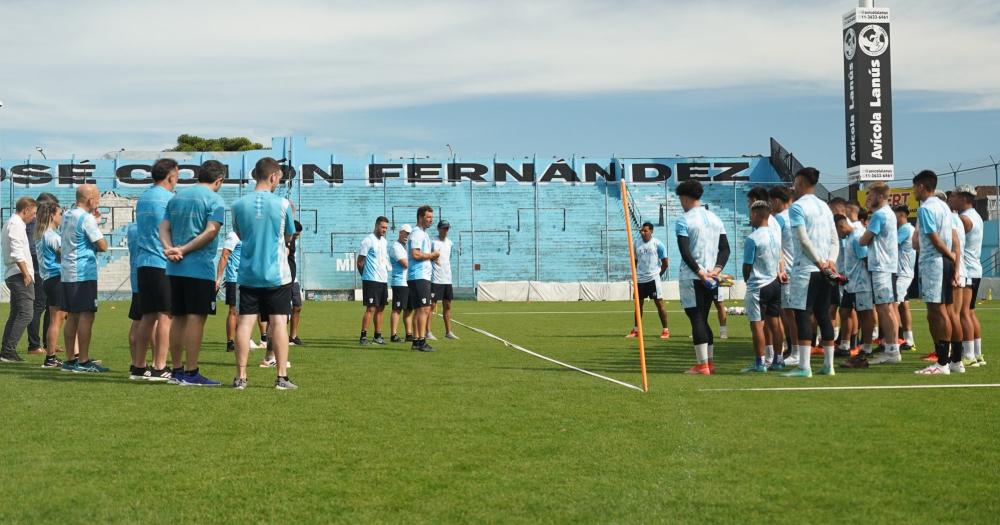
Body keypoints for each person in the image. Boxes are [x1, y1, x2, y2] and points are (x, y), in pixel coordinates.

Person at [231, 157, 298, 390]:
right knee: (279, 322)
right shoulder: (283, 204)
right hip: (277, 275)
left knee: (244, 324)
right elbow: (290, 235)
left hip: (248, 274)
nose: (278, 181)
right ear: (272, 177)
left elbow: (239, 234)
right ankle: (281, 377)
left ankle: (240, 378)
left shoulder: (238, 205)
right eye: (279, 177)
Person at [159, 159, 226, 386]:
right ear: (219, 180)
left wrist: (170, 249)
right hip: (199, 269)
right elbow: (210, 232)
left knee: (177, 318)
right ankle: (191, 372)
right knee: (196, 319)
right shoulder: (215, 200)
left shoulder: (177, 197)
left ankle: (177, 370)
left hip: (174, 268)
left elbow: (164, 228)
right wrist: (183, 249)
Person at [783, 167, 838, 378]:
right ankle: (828, 365)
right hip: (825, 268)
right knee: (824, 314)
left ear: (800, 182)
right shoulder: (825, 207)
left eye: (795, 182)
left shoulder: (797, 207)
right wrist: (830, 261)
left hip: (806, 268)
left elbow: (803, 240)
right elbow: (835, 239)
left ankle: (804, 367)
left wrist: (819, 262)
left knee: (803, 314)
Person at [674, 180, 729, 375]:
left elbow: (684, 250)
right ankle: (709, 362)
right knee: (704, 319)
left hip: (693, 276)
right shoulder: (716, 218)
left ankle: (702, 365)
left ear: (686, 197)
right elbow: (725, 248)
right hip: (712, 276)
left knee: (696, 318)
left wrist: (699, 271)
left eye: (680, 198)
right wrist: (716, 269)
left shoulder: (684, 220)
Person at [132, 158, 177, 381]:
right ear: (170, 176)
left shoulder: (143, 199)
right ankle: (159, 366)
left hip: (144, 263)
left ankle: (139, 367)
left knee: (147, 316)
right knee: (165, 316)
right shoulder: (169, 199)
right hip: (162, 262)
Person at [912, 171, 960, 375]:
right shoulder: (943, 205)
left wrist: (948, 253)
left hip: (935, 263)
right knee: (948, 311)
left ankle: (942, 363)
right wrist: (951, 257)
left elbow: (933, 237)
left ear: (921, 186)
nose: (913, 190)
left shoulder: (926, 208)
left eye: (914, 187)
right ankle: (956, 360)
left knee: (937, 311)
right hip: (944, 263)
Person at [58, 185, 109, 373]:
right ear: (90, 200)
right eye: (97, 198)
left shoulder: (67, 215)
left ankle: (70, 359)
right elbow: (102, 245)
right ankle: (84, 361)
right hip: (83, 273)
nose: (99, 201)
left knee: (72, 315)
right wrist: (96, 223)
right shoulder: (86, 218)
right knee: (87, 315)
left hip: (68, 272)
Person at [859, 182, 901, 365]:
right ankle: (892, 348)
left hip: (881, 267)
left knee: (884, 309)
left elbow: (863, 240)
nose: (868, 199)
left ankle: (892, 350)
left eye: (871, 195)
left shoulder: (879, 215)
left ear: (881, 196)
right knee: (889, 308)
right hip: (888, 266)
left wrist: (864, 229)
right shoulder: (888, 214)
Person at [740, 201, 784, 372]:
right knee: (775, 323)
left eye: (751, 214)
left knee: (757, 325)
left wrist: (747, 280)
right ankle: (778, 360)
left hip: (758, 285)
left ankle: (760, 363)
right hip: (774, 283)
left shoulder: (753, 238)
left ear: (757, 215)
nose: (750, 218)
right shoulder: (775, 235)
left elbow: (747, 265)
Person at [1, 197, 38, 363]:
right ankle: (8, 351)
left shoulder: (14, 223)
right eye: (34, 212)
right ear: (26, 210)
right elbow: (16, 251)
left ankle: (6, 351)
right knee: (26, 313)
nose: (34, 217)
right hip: (19, 273)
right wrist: (26, 273)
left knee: (17, 313)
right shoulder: (16, 224)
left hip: (15, 273)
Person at [952, 185, 985, 367]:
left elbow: (954, 241)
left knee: (963, 312)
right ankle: (977, 354)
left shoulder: (964, 219)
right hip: (975, 269)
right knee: (970, 313)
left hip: (968, 269)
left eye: (955, 196)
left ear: (964, 198)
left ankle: (969, 355)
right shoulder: (976, 216)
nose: (951, 199)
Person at [838, 214, 877, 369]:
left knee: (865, 314)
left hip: (861, 284)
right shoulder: (850, 237)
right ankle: (845, 346)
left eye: (837, 231)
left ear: (841, 226)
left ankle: (865, 350)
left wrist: (870, 282)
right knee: (844, 311)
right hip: (850, 283)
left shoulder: (857, 237)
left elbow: (866, 259)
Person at [25, 192, 59, 356]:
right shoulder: (34, 224)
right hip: (39, 271)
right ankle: (34, 345)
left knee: (49, 307)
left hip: (44, 271)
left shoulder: (41, 225)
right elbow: (32, 248)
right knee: (38, 307)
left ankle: (49, 343)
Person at [625, 221, 670, 339]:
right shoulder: (636, 244)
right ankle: (636, 330)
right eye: (641, 231)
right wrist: (635, 275)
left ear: (651, 231)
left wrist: (658, 275)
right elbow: (635, 261)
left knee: (659, 304)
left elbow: (665, 263)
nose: (643, 233)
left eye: (645, 231)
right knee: (638, 305)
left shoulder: (658, 244)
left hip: (653, 278)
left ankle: (665, 330)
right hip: (640, 279)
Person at [770, 185, 798, 365]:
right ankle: (793, 348)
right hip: (801, 269)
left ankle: (796, 352)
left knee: (789, 314)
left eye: (771, 201)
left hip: (786, 272)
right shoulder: (798, 216)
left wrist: (779, 270)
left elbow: (775, 246)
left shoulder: (779, 219)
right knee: (792, 313)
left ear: (777, 201)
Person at [34, 202, 65, 368]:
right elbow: (66, 254)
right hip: (56, 278)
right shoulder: (51, 235)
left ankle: (54, 357)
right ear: (52, 215)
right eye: (60, 213)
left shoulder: (42, 234)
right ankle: (50, 357)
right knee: (56, 320)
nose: (62, 216)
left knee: (59, 318)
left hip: (49, 279)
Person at [407, 205, 440, 352]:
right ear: (420, 217)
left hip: (422, 276)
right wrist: (431, 256)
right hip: (418, 276)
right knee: (424, 308)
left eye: (431, 218)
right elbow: (415, 254)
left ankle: (416, 341)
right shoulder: (417, 234)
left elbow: (421, 255)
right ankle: (421, 341)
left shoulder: (423, 234)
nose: (430, 220)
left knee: (420, 309)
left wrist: (432, 259)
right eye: (428, 217)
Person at [358, 216, 390, 346]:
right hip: (371, 280)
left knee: (381, 308)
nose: (384, 230)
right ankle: (363, 336)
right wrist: (365, 276)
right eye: (382, 227)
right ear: (376, 226)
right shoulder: (368, 240)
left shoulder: (384, 242)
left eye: (386, 228)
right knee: (371, 308)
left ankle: (377, 335)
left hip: (383, 280)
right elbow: (360, 262)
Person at [126, 222, 152, 378]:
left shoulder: (132, 229)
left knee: (137, 320)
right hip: (150, 278)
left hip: (137, 280)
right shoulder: (151, 228)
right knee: (154, 321)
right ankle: (155, 364)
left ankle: (136, 362)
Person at [429, 220, 458, 340]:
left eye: (447, 228)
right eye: (444, 228)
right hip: (436, 278)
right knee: (431, 306)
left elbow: (447, 259)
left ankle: (448, 332)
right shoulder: (432, 242)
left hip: (447, 279)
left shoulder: (450, 243)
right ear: (438, 229)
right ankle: (427, 332)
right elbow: (427, 256)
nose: (446, 230)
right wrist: (432, 259)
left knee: (448, 305)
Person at [894, 205, 916, 351]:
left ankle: (893, 340)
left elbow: (890, 245)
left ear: (901, 215)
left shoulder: (905, 229)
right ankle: (908, 340)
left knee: (892, 305)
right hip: (903, 272)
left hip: (902, 273)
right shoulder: (908, 229)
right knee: (903, 306)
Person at [216, 230, 241, 352]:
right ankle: (230, 342)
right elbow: (224, 255)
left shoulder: (249, 232)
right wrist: (219, 279)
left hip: (247, 277)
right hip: (235, 278)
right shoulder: (233, 235)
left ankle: (242, 339)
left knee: (246, 312)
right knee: (234, 310)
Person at [389, 224, 413, 342]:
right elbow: (406, 264)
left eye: (409, 234)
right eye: (406, 233)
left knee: (408, 309)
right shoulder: (396, 247)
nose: (407, 236)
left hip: (408, 282)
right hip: (399, 282)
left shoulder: (407, 247)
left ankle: (409, 334)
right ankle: (393, 335)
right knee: (397, 309)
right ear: (400, 232)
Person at [287, 220, 305, 346]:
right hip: (282, 279)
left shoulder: (294, 242)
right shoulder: (284, 241)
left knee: (297, 305)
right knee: (281, 312)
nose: (297, 237)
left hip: (294, 279)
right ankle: (273, 337)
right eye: (296, 234)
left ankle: (293, 336)